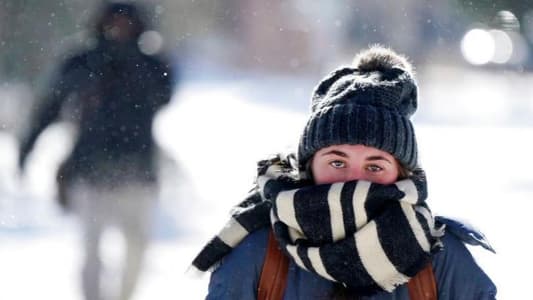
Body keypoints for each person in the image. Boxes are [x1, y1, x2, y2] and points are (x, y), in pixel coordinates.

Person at [191, 46, 496, 299]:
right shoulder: (257, 253)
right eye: (337, 162)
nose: (354, 180)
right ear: (309, 166)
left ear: (401, 175)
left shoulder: (439, 259)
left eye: (374, 166)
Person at [18, 2, 174, 300]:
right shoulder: (82, 63)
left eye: (126, 23)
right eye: (113, 22)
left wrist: (131, 62)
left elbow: (166, 94)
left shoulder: (151, 65)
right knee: (91, 252)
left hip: (137, 175)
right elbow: (49, 108)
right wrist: (27, 148)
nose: (119, 29)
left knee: (137, 249)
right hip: (90, 174)